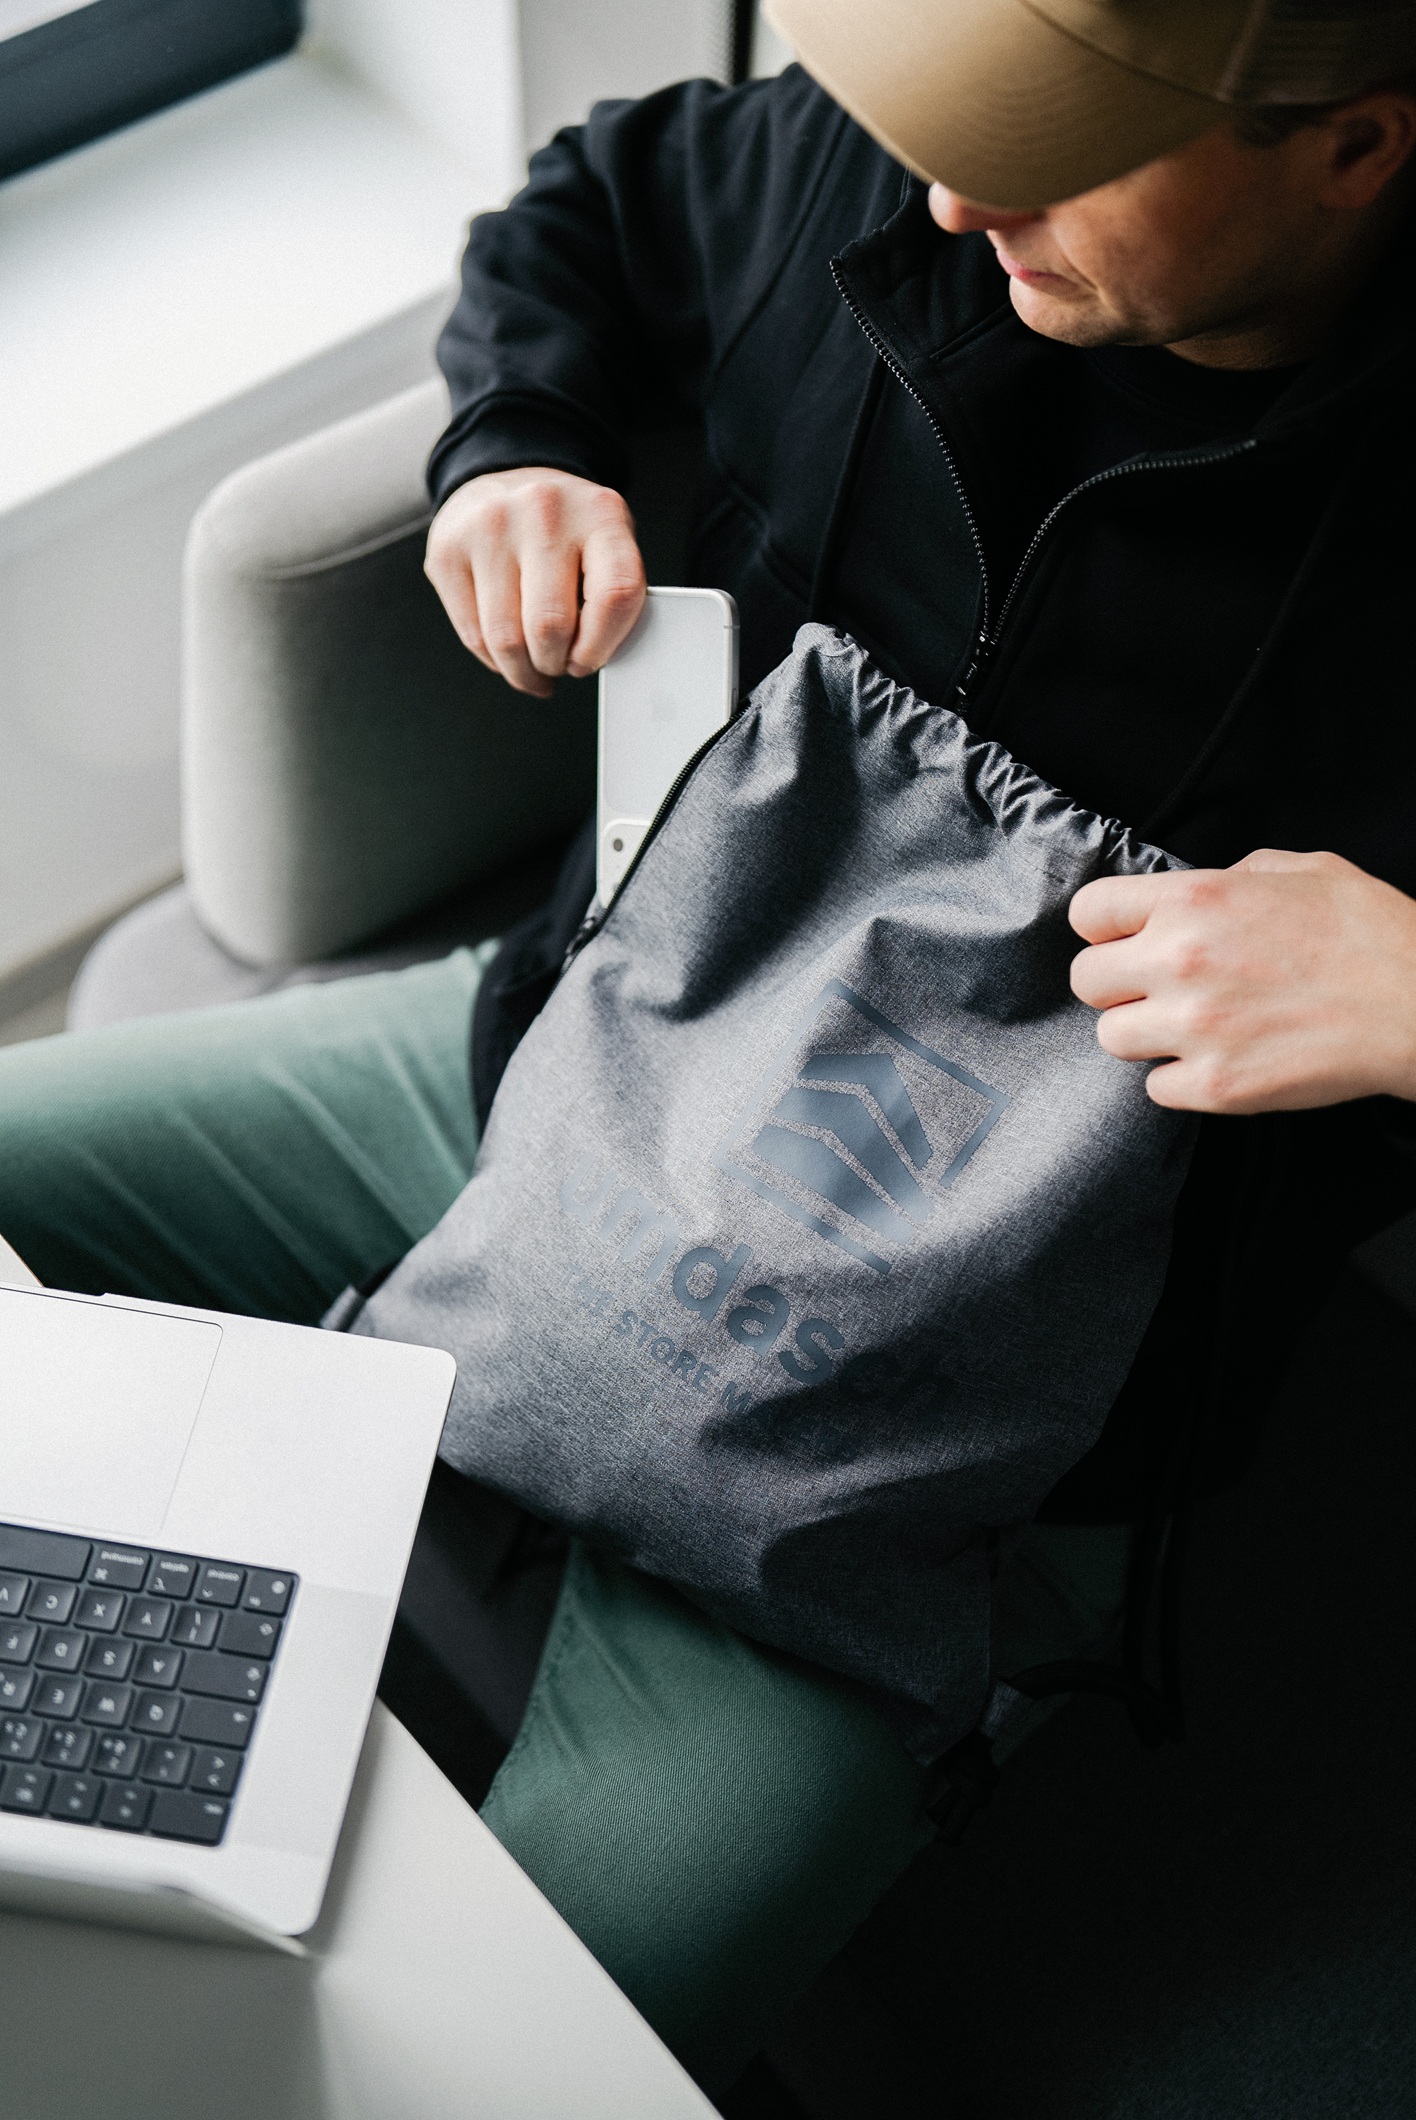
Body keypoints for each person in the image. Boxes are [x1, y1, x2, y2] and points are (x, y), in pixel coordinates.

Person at [4, 0, 1416, 2095]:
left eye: (1059, 144)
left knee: (478, 2072)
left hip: (935, 1460)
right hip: (544, 1073)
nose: (958, 195)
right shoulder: (884, 182)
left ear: (1359, 147)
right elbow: (593, 199)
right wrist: (518, 441)